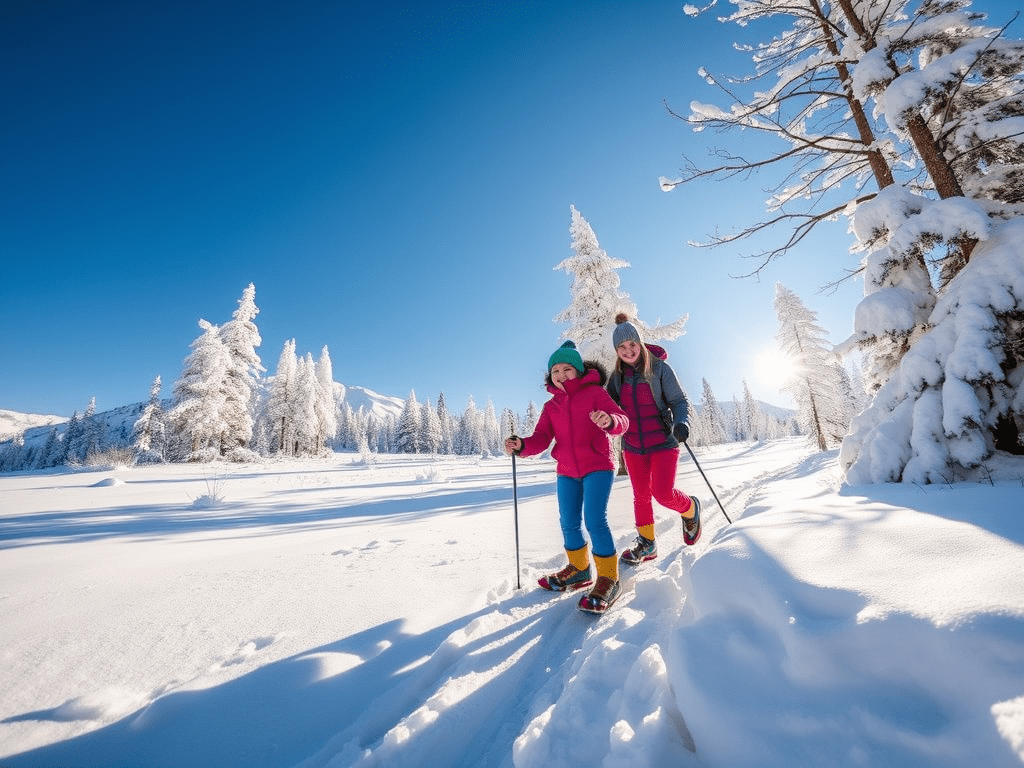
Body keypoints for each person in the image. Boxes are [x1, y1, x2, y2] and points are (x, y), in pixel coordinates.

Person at [505, 340, 629, 614]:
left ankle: (608, 577)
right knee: (569, 522)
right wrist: (523, 446)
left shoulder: (595, 393)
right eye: (555, 371)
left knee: (595, 519)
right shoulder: (551, 406)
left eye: (567, 369)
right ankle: (580, 570)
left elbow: (622, 419)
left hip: (598, 464)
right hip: (567, 471)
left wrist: (609, 421)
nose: (561, 375)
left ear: (579, 371)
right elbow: (540, 438)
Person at [606, 313, 701, 565]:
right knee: (640, 496)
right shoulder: (617, 378)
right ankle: (647, 544)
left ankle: (690, 508)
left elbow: (679, 401)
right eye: (622, 347)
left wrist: (682, 422)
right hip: (633, 446)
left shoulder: (659, 368)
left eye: (632, 344)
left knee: (662, 492)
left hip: (663, 441)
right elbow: (608, 408)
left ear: (640, 343)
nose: (628, 351)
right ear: (617, 351)